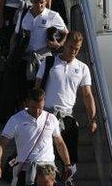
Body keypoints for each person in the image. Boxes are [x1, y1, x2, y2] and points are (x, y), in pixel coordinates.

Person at [35, 31, 98, 180]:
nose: (74, 52)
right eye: (71, 47)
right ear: (64, 44)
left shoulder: (82, 68)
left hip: (67, 117)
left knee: (70, 157)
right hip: (47, 115)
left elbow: (87, 95)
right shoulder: (49, 62)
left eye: (77, 49)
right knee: (46, 155)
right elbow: (37, 88)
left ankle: (66, 178)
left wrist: (92, 119)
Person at [0, 88, 72, 186]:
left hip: (47, 169)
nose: (37, 111)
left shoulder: (51, 118)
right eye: (33, 107)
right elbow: (1, 143)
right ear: (27, 103)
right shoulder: (16, 120)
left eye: (40, 108)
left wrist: (67, 164)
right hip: (26, 169)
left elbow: (60, 143)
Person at [19, 0, 68, 93]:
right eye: (36, 2)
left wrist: (58, 44)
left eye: (42, 2)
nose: (39, 5)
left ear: (46, 1)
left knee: (43, 88)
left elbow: (65, 33)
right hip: (26, 58)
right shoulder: (23, 14)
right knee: (25, 89)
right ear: (31, 0)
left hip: (44, 58)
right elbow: (16, 33)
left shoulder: (52, 16)